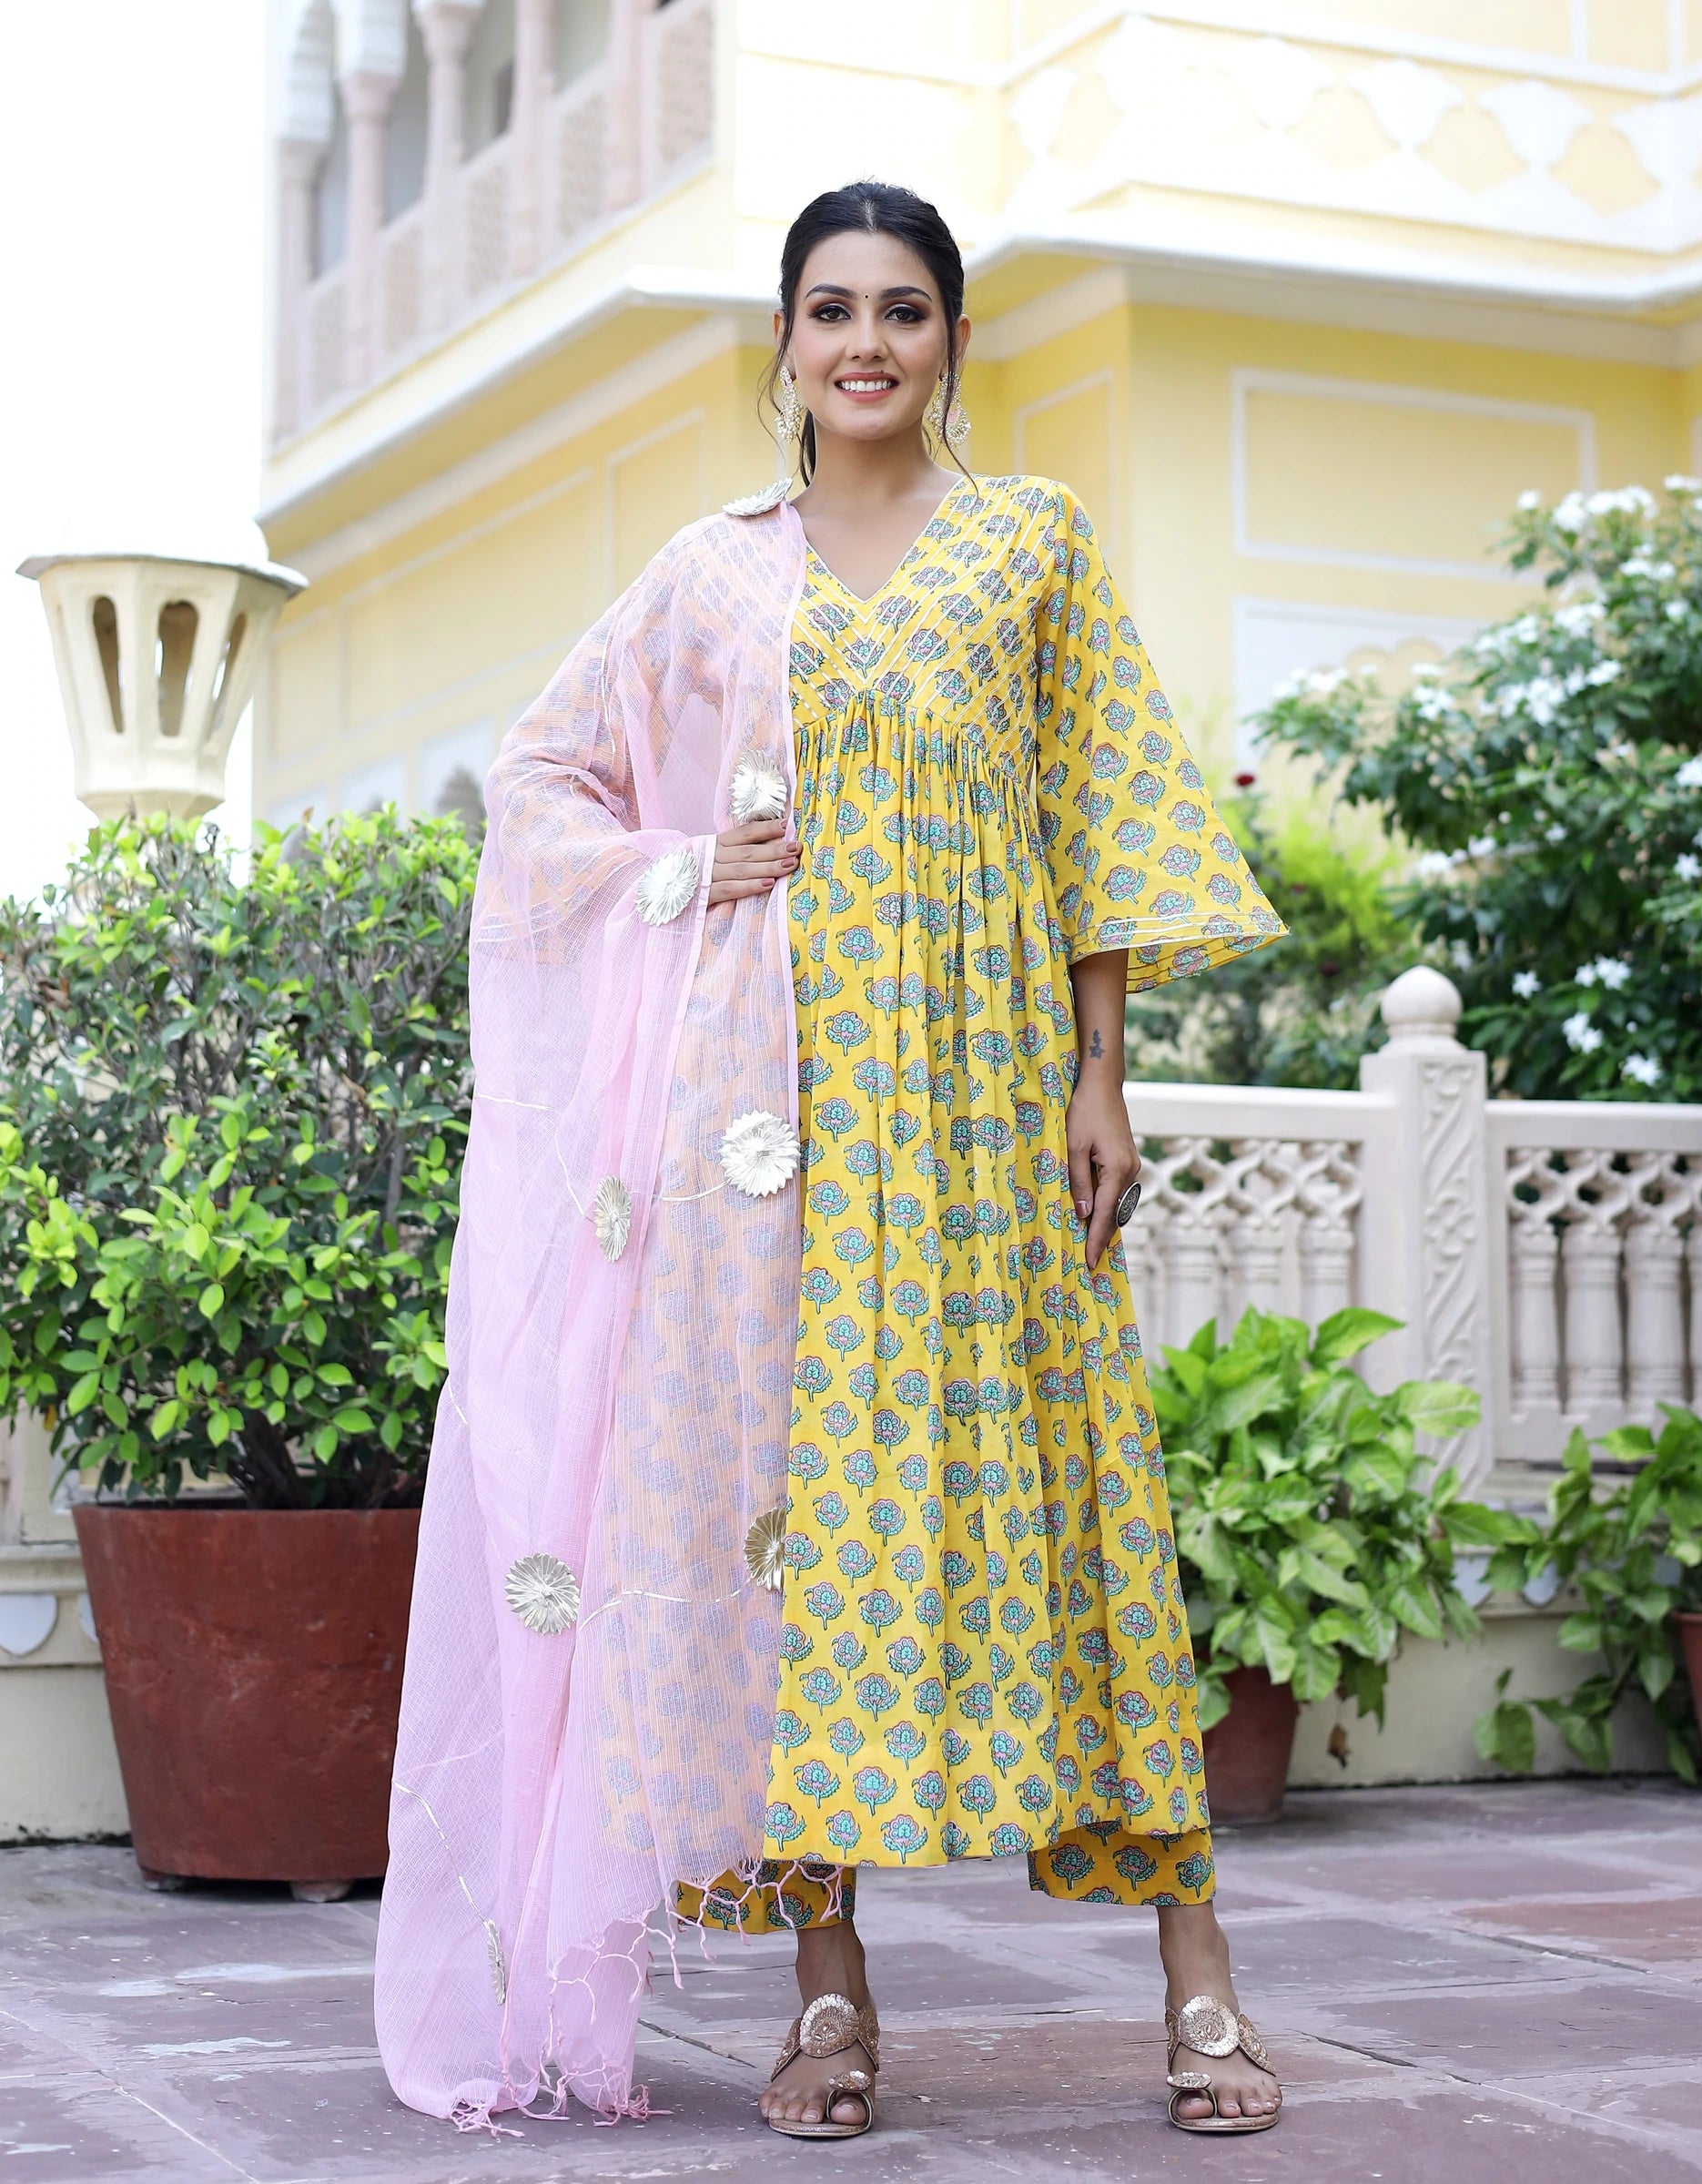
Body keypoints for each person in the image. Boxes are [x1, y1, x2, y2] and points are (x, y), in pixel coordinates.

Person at [374, 180, 1286, 2146]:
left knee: (1079, 1499)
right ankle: (828, 1987)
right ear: (783, 345)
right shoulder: (715, 575)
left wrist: (1101, 1074)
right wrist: (682, 866)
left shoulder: (1030, 544)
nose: (865, 342)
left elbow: (1094, 818)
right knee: (778, 1525)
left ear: (951, 337)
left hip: (986, 1103)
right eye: (829, 310)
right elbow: (540, 777)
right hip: (769, 1124)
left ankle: (1197, 1970)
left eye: (903, 308)